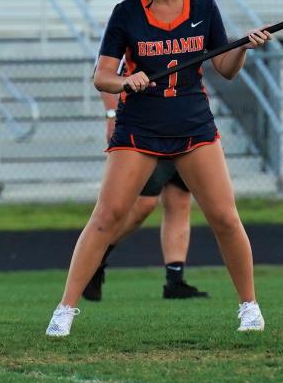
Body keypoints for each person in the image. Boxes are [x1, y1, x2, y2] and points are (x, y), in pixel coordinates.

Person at [46, 0, 270, 337]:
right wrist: (125, 81)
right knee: (108, 216)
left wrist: (242, 48)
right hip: (140, 125)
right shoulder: (125, 13)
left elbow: (224, 69)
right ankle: (65, 310)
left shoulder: (203, 7)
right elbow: (102, 77)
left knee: (224, 217)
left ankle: (249, 306)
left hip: (191, 123)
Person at [82, 88, 208, 302]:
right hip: (149, 126)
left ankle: (175, 280)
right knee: (144, 203)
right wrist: (112, 114)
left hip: (184, 122)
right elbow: (105, 72)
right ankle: (95, 257)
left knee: (179, 199)